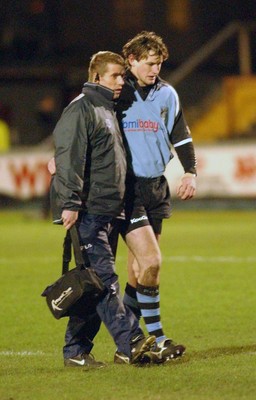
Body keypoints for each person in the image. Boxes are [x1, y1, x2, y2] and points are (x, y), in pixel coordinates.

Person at [51, 51, 155, 369]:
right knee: (105, 280)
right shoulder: (82, 108)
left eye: (123, 76)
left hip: (109, 210)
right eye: (115, 76)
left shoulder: (107, 109)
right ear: (96, 77)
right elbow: (69, 158)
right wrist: (69, 203)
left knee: (92, 287)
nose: (121, 81)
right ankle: (132, 342)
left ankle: (76, 352)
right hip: (88, 211)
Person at [113, 31, 197, 363]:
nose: (155, 69)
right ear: (131, 59)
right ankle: (157, 338)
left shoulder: (167, 94)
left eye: (159, 63)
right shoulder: (117, 93)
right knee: (151, 262)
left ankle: (127, 345)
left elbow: (182, 136)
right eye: (149, 63)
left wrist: (190, 171)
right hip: (127, 189)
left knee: (139, 270)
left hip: (156, 187)